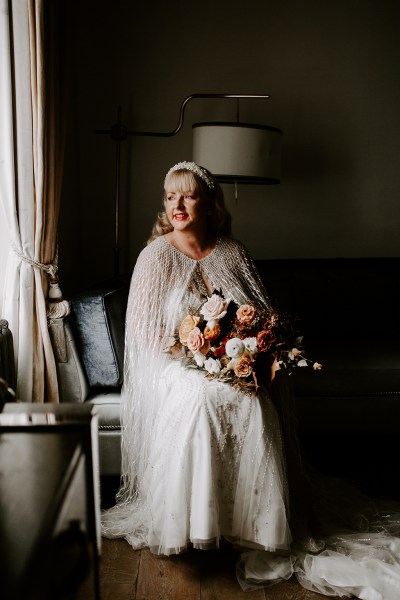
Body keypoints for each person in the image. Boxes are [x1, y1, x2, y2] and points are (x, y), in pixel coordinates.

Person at [102, 161, 400, 597]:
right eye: (170, 197)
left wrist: (239, 350)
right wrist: (199, 351)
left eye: (188, 195)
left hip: (228, 361)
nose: (177, 204)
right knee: (199, 399)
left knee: (252, 399)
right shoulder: (155, 256)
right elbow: (145, 338)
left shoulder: (232, 252)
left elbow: (263, 318)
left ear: (209, 202)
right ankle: (196, 523)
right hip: (172, 366)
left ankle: (255, 525)